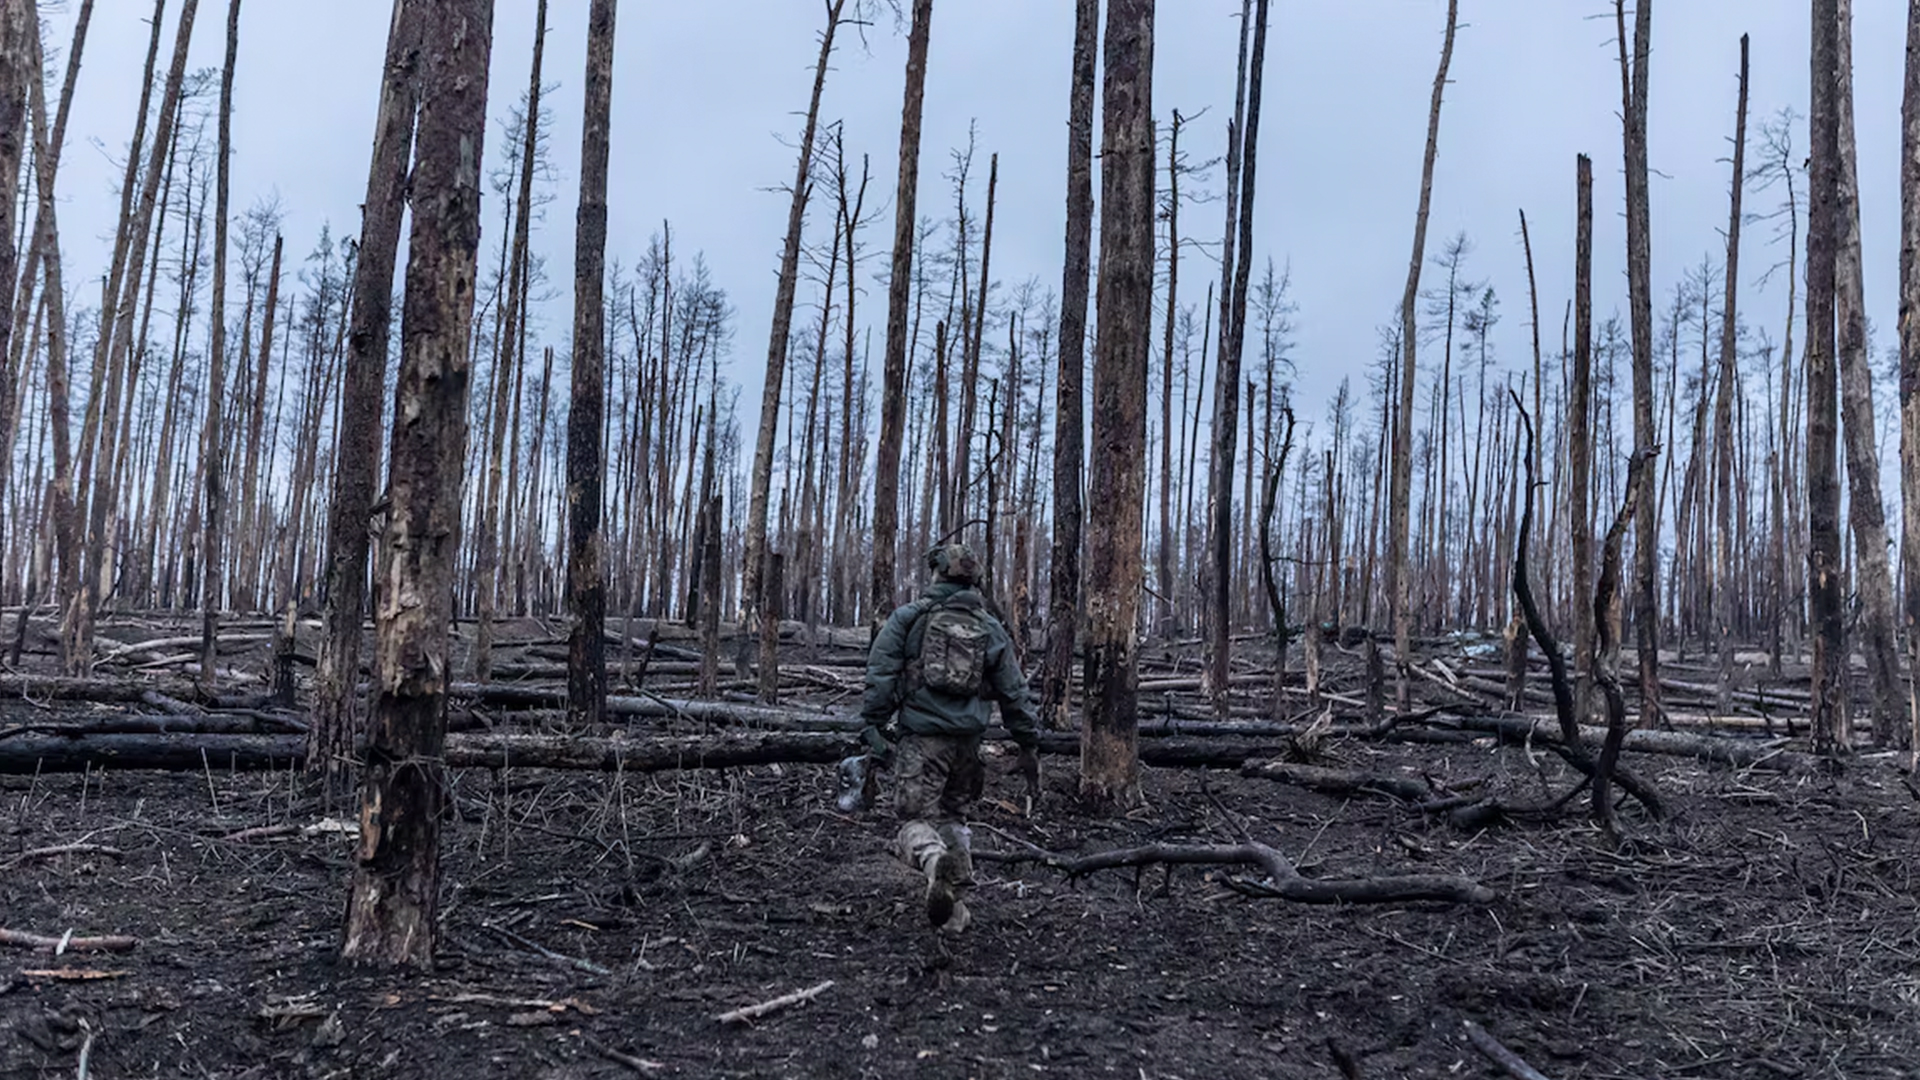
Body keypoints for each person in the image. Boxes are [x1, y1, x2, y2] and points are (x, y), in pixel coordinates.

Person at [859, 543, 1041, 932]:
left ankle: (933, 862)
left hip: (923, 742)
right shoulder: (990, 626)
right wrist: (1028, 741)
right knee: (955, 816)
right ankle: (955, 915)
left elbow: (880, 674)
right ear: (974, 580)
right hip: (969, 746)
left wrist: (872, 724)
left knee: (914, 820)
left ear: (936, 574)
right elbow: (1014, 691)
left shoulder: (909, 618)